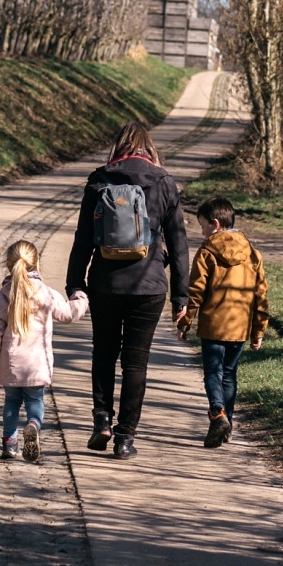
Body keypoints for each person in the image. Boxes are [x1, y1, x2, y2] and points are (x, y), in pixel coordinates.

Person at [66, 120, 188, 458]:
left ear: (118, 146)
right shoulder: (164, 183)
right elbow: (179, 246)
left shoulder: (99, 181)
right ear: (150, 148)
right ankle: (125, 438)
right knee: (136, 364)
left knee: (103, 354)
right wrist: (181, 298)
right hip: (148, 288)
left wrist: (75, 283)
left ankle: (102, 419)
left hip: (104, 283)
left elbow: (83, 239)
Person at [0, 240, 88, 462]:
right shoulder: (46, 294)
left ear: (8, 265)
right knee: (35, 401)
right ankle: (33, 424)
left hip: (11, 365)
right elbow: (68, 314)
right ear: (36, 262)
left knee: (11, 403)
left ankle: (9, 444)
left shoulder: (1, 297)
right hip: (37, 364)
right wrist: (81, 297)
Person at [179, 197, 270, 447]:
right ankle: (226, 425)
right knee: (229, 374)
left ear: (215, 224)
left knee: (212, 373)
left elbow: (195, 290)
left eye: (203, 225)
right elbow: (260, 294)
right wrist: (258, 330)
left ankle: (217, 413)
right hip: (240, 326)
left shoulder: (207, 250)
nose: (202, 230)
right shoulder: (252, 253)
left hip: (213, 325)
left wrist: (185, 321)